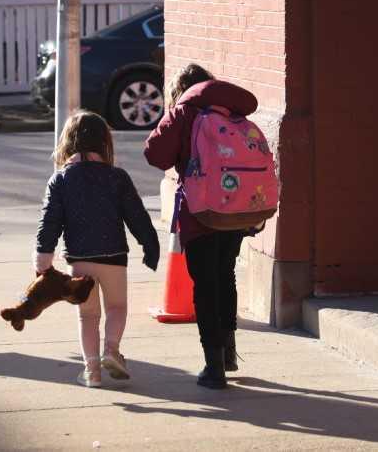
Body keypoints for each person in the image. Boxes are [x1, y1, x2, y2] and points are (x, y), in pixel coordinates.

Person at [144, 63, 259, 389]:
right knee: (225, 276)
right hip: (234, 212)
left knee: (205, 284)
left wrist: (172, 114)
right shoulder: (231, 111)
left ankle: (213, 366)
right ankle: (228, 352)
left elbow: (154, 154)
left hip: (200, 213)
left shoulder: (184, 112)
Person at [35, 111, 160, 388]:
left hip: (79, 259)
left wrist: (43, 258)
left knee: (87, 315)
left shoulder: (61, 179)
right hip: (114, 256)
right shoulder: (117, 177)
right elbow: (136, 215)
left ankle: (91, 370)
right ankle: (112, 350)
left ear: (67, 143)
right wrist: (150, 244)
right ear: (105, 143)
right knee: (116, 307)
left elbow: (49, 221)